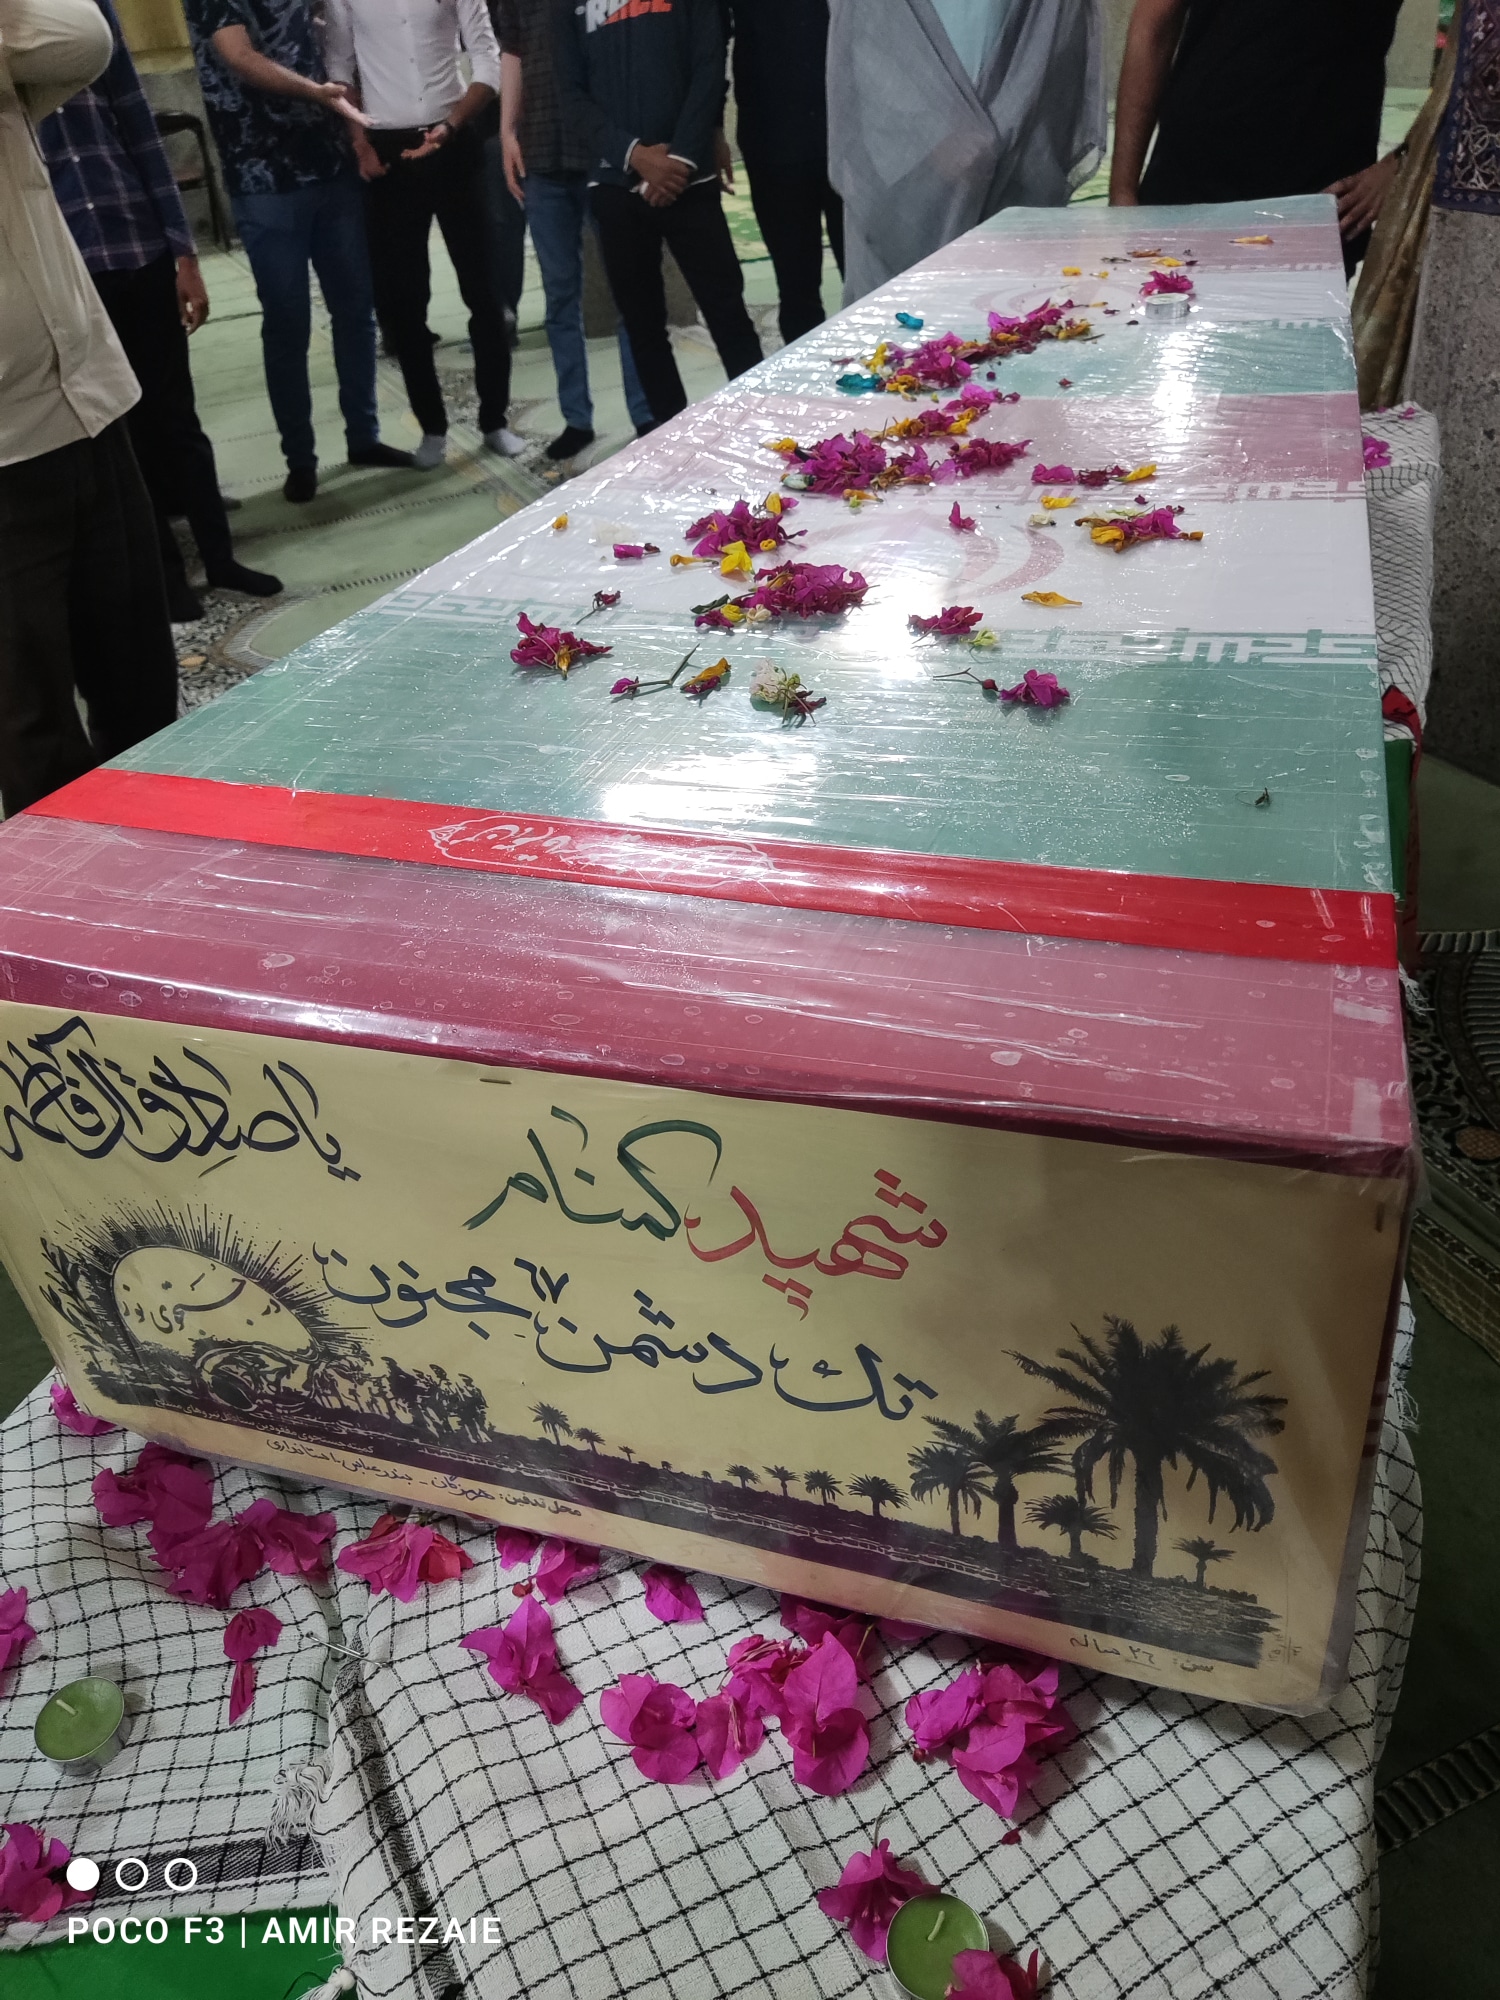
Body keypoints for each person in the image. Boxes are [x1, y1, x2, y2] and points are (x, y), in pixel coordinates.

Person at [36, 0, 282, 621]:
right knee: (126, 432)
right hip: (70, 267)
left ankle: (221, 560)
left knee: (177, 419)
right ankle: (167, 579)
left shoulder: (91, 12)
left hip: (137, 246)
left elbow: (141, 131)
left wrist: (184, 254)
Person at [0, 0, 179, 814]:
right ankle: (71, 891)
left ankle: (162, 869)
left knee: (142, 692)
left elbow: (84, 37)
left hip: (91, 403)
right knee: (35, 731)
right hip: (7, 454)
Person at [181, 0, 415, 502]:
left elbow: (333, 39)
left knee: (355, 311)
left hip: (331, 163)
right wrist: (316, 92)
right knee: (288, 323)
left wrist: (354, 134)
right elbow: (239, 55)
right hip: (264, 176)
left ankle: (364, 437)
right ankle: (300, 460)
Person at [325, 0, 523, 468]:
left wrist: (451, 125)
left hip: (454, 140)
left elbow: (487, 61)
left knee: (485, 291)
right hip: (388, 152)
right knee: (405, 301)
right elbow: (338, 69)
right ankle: (432, 427)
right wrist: (360, 142)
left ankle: (495, 420)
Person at [557, 0, 762, 428]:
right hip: (615, 183)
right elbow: (570, 94)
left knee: (728, 314)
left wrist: (681, 158)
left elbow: (708, 65)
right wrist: (634, 155)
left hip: (690, 178)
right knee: (642, 325)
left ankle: (761, 429)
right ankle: (671, 440)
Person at [827, 0, 1104, 305]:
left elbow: (1057, 31)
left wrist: (1005, 127)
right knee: (904, 310)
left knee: (1011, 305)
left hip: (1019, 150)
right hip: (907, 163)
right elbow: (866, 34)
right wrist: (933, 131)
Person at [1110, 0, 1404, 276]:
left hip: (1315, 197)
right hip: (1187, 180)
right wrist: (1122, 191)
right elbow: (1153, 26)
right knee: (1159, 304)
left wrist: (1401, 162)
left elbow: (1445, 74)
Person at [496, 0, 655, 456]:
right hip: (541, 153)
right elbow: (514, 53)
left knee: (628, 290)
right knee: (560, 297)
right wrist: (507, 132)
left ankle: (645, 413)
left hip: (603, 153)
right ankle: (576, 419)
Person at [724, 0, 842, 345]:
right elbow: (708, 36)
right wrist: (713, 124)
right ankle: (808, 374)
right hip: (773, 140)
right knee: (796, 287)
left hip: (848, 136)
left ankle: (888, 371)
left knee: (872, 277)